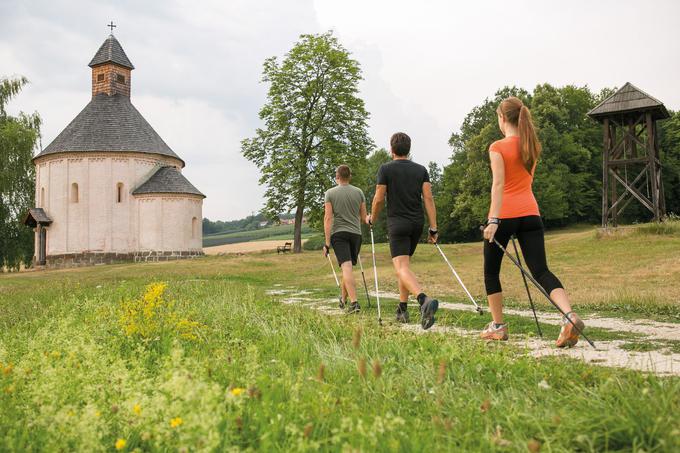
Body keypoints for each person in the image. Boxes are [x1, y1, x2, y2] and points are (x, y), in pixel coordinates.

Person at [481, 96, 585, 347]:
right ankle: (569, 316)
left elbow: (499, 184)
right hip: (530, 213)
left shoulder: (497, 147)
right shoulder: (531, 146)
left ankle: (497, 326)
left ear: (502, 118)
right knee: (541, 271)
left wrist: (493, 220)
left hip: (504, 215)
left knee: (491, 271)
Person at [368, 132, 439, 330]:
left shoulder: (385, 169)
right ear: (409, 149)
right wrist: (433, 228)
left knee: (401, 267)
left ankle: (423, 300)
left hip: (397, 224)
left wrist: (371, 218)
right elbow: (428, 199)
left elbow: (379, 198)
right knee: (404, 266)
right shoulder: (421, 170)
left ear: (391, 149)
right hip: (417, 223)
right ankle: (402, 309)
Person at [323, 164, 368, 313]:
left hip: (339, 234)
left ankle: (354, 303)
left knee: (346, 268)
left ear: (337, 176)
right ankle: (343, 299)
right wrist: (370, 219)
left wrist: (327, 243)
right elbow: (363, 218)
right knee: (346, 268)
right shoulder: (359, 192)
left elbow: (328, 218)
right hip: (356, 234)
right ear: (350, 176)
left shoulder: (330, 193)